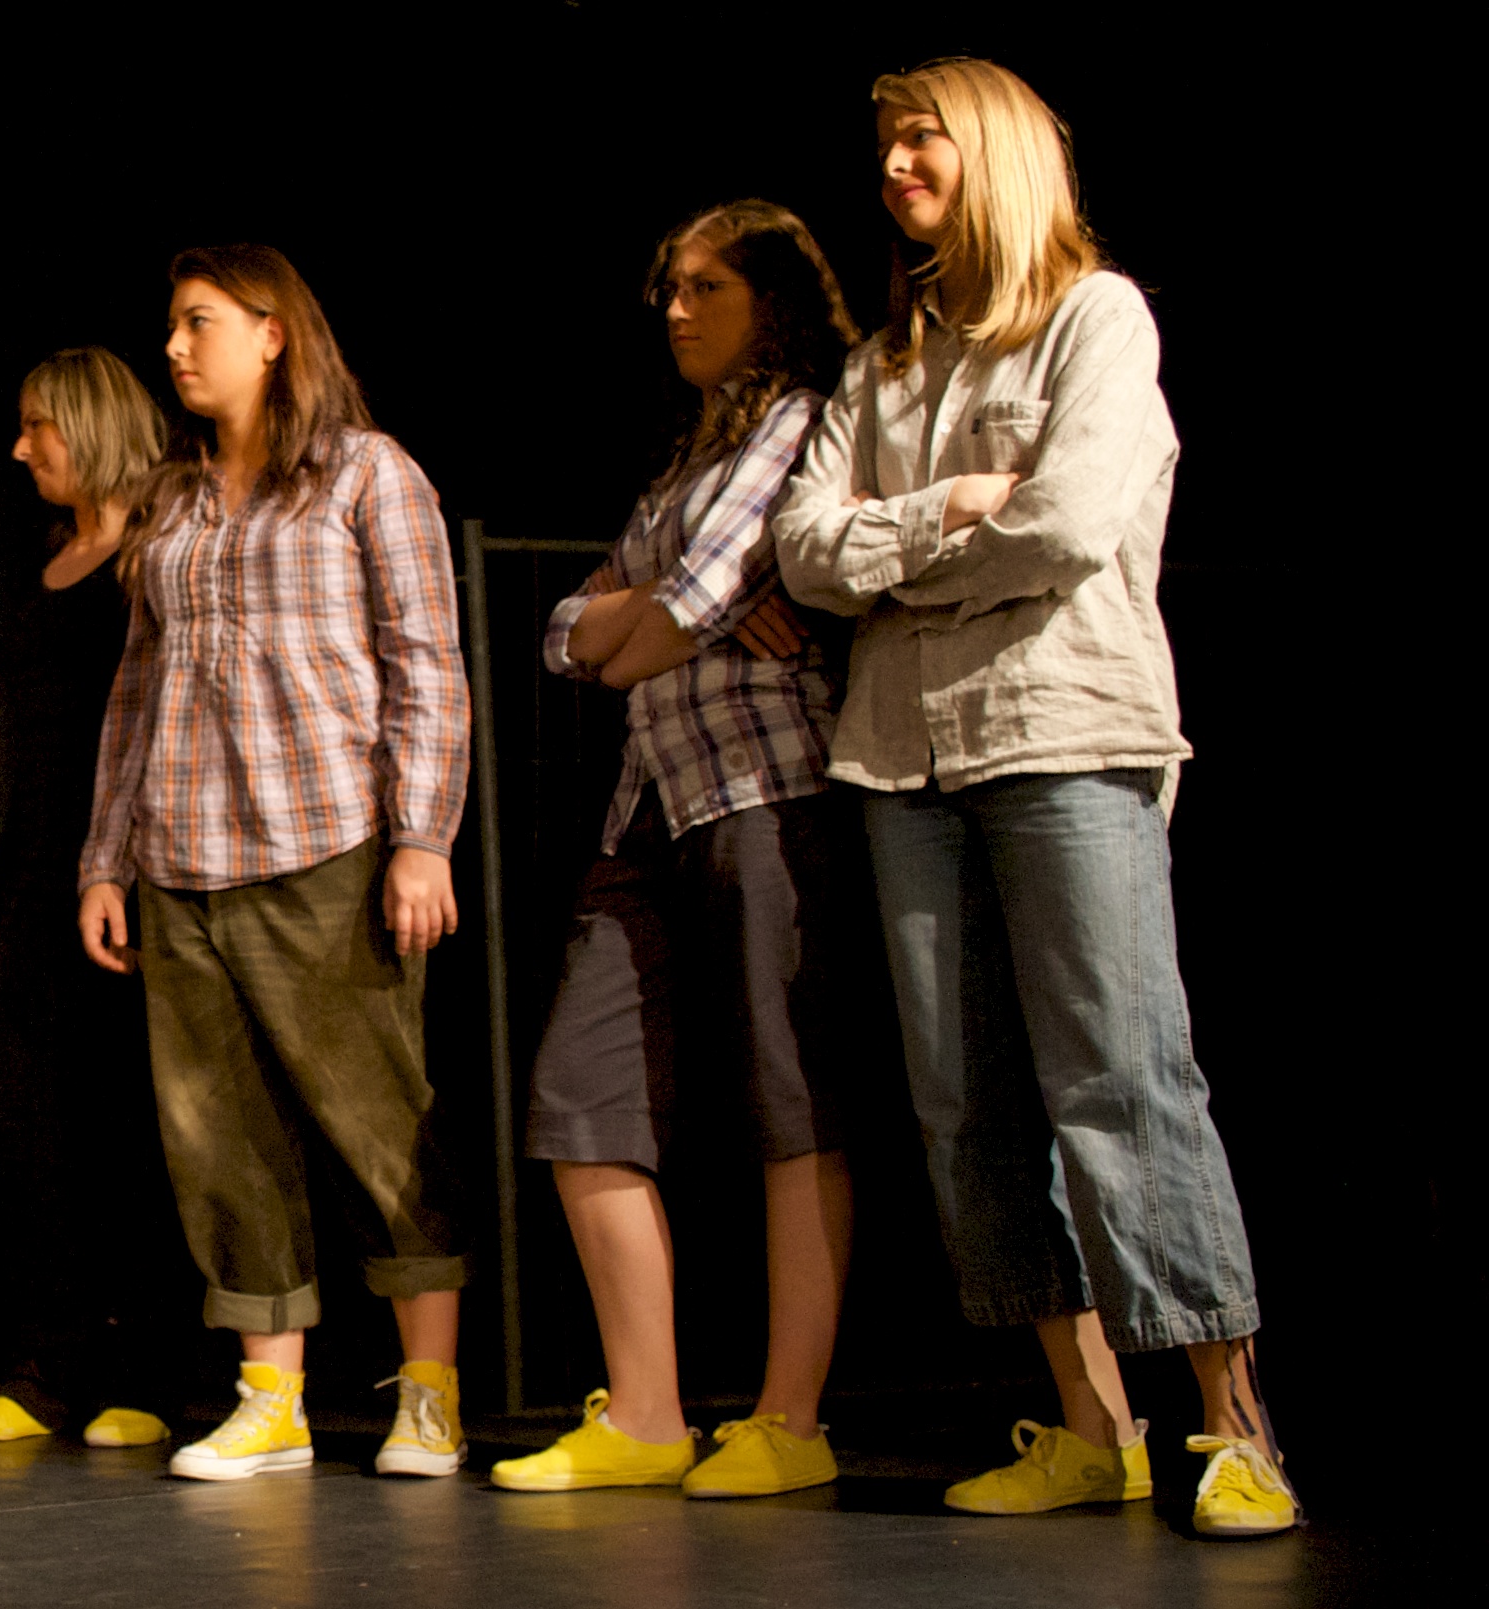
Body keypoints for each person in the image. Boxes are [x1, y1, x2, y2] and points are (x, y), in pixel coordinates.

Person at [772, 58, 1292, 1538]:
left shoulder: (1095, 319)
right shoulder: (883, 366)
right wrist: (946, 510)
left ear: (994, 149)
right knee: (965, 1108)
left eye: (919, 138)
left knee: (1119, 1077)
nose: (893, 165)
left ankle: (1234, 1431)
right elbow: (804, 552)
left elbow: (1064, 526)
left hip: (1061, 733)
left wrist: (893, 557)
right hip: (904, 757)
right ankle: (1089, 1428)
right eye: (884, 144)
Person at [491, 204, 885, 1500]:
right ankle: (648, 1414)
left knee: (790, 1103)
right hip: (648, 805)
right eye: (668, 287)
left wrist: (657, 623)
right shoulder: (681, 468)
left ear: (772, 300)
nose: (675, 309)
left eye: (706, 286)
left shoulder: (799, 423)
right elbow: (570, 632)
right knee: (580, 1094)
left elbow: (683, 607)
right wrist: (655, 620)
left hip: (766, 786)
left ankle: (789, 1419)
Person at [79, 245, 472, 1482]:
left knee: (377, 1124)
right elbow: (135, 689)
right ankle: (272, 1400)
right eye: (171, 325)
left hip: (325, 843)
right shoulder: (171, 498)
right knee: (220, 1141)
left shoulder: (366, 472)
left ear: (271, 332)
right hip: (180, 851)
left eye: (197, 322)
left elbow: (426, 661)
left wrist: (422, 837)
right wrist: (104, 857)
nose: (174, 348)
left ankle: (428, 1392)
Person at [0, 348, 188, 1452]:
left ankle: (144, 1373)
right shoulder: (52, 555)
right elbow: (32, 754)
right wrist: (1, 887)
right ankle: (46, 1366)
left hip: (135, 873)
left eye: (36, 426)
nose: (19, 448)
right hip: (42, 872)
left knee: (127, 1125)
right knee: (32, 1129)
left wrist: (122, 868)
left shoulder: (158, 552)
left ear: (87, 424)